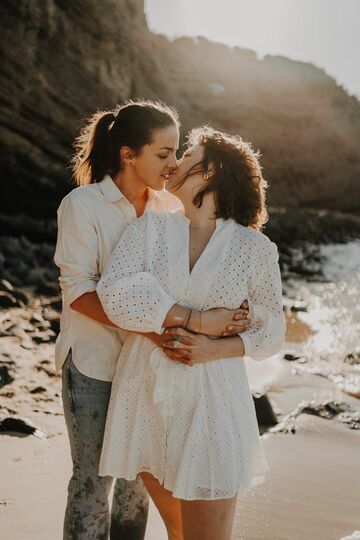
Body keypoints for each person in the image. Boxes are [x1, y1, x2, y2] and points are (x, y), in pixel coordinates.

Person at [54, 102, 250, 539]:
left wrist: (238, 311)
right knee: (91, 485)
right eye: (163, 154)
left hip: (147, 372)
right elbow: (80, 294)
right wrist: (165, 331)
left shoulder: (169, 208)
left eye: (177, 152)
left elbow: (201, 264)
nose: (174, 163)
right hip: (94, 364)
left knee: (139, 481)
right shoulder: (83, 205)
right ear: (128, 154)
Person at [97, 127, 286, 540]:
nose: (175, 163)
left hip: (213, 400)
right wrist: (195, 320)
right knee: (179, 534)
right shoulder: (149, 230)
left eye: (186, 155)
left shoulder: (254, 249)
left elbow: (272, 331)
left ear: (210, 170)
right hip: (148, 396)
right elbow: (114, 295)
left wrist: (212, 350)